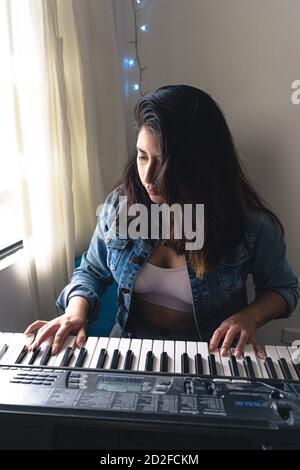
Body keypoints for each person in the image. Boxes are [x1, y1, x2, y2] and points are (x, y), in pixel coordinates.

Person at [25, 84, 299, 360]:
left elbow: (283, 288)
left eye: (164, 162)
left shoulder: (249, 223)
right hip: (129, 348)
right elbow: (92, 272)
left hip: (212, 355)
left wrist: (248, 316)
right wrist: (75, 312)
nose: (148, 176)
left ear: (201, 163)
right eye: (143, 157)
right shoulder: (121, 205)